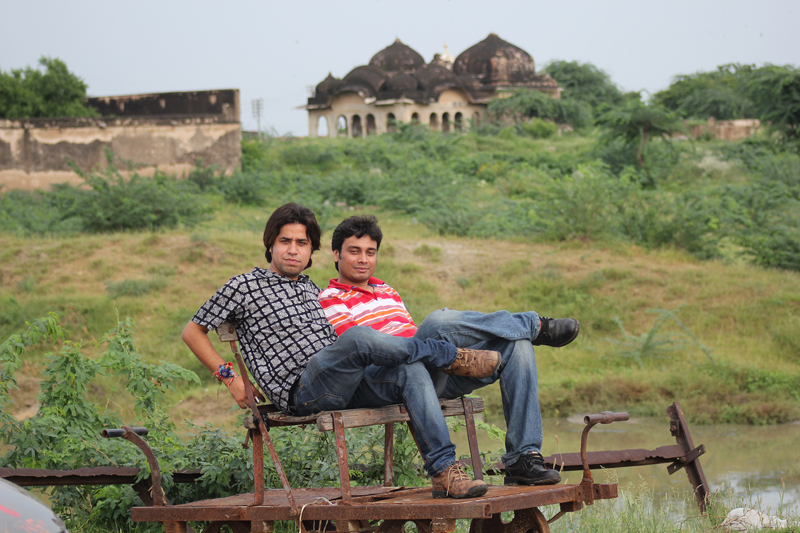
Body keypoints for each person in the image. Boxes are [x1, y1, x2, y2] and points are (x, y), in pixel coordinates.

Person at [182, 203, 502, 499]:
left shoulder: (309, 288)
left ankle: (444, 471)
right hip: (303, 389)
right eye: (284, 241)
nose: (293, 249)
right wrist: (230, 378)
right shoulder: (244, 286)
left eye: (302, 243)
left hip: (344, 381)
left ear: (311, 252)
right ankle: (450, 356)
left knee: (410, 370)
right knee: (358, 338)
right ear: (270, 245)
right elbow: (192, 331)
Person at [319, 215, 581, 486]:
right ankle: (534, 324)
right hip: (388, 377)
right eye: (354, 251)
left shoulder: (386, 290)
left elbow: (412, 338)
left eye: (370, 252)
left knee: (517, 346)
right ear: (336, 254)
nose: (363, 259)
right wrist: (435, 350)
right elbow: (367, 350)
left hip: (428, 369)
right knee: (437, 322)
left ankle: (523, 459)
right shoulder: (329, 299)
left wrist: (439, 354)